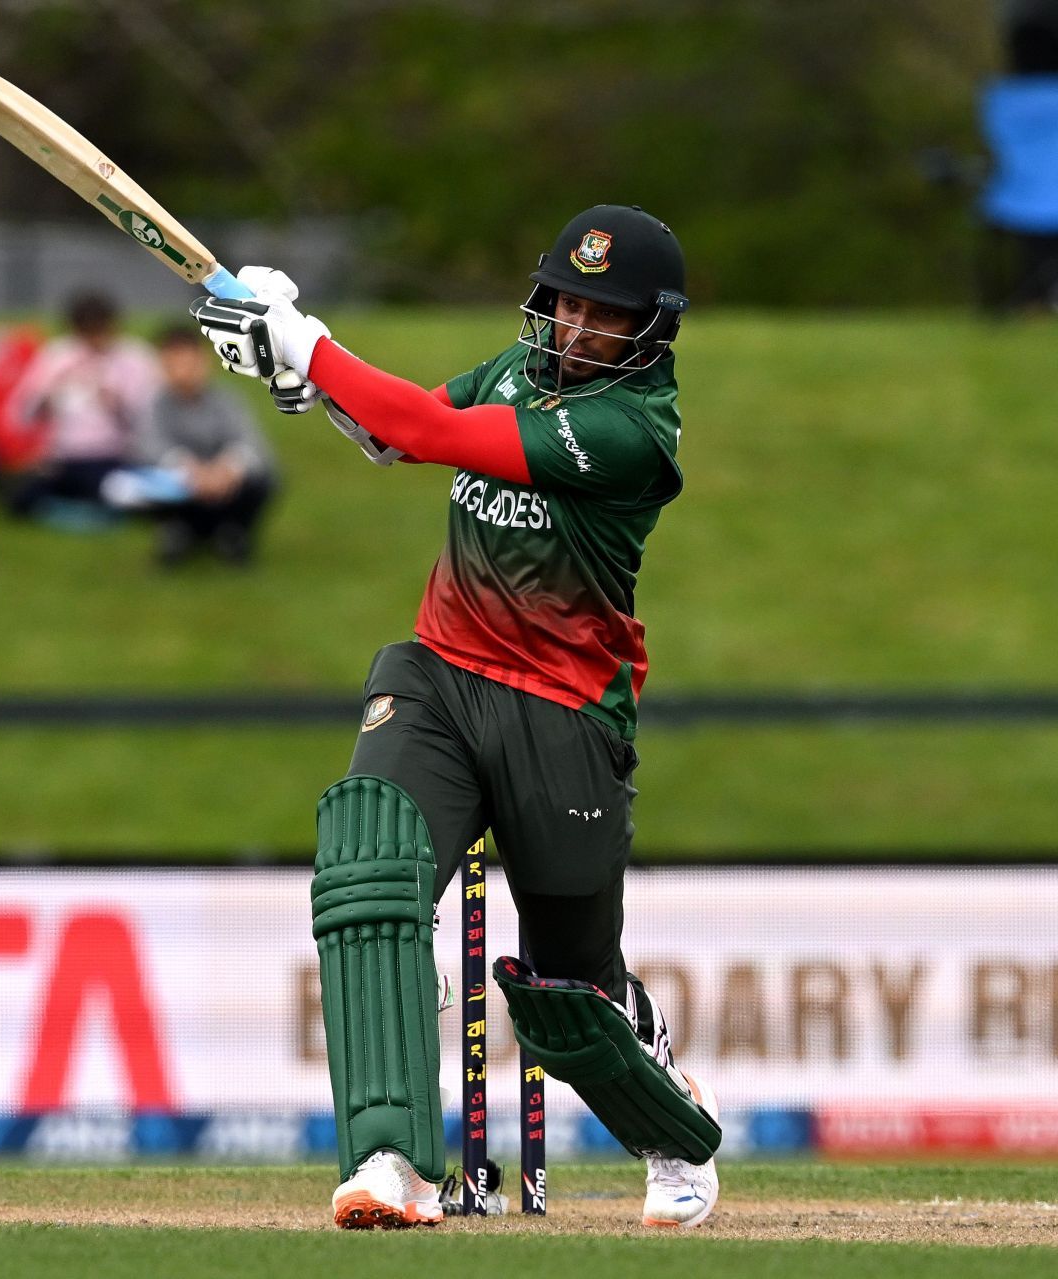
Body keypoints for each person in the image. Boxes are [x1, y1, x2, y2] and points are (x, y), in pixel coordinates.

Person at [193, 206, 717, 1230]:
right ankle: (389, 1160)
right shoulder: (517, 373)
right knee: (372, 877)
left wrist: (311, 343)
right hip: (441, 674)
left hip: (562, 710)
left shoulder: (631, 431)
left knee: (571, 996)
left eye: (602, 313)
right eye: (565, 299)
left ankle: (672, 1130)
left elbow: (430, 433)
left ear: (649, 329)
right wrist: (290, 369)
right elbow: (400, 431)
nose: (573, 324)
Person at [3, 291, 161, 524]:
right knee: (19, 496)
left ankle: (96, 503)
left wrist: (115, 403)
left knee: (117, 489)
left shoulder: (135, 358)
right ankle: (88, 507)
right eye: (87, 334)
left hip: (115, 455)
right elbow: (19, 413)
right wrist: (48, 398)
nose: (95, 341)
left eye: (101, 331)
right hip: (63, 458)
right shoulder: (58, 355)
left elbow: (150, 421)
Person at [141, 327, 277, 566]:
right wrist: (188, 470)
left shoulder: (226, 398)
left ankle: (233, 532)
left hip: (225, 484)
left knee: (264, 477)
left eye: (189, 363)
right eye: (173, 365)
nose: (183, 373)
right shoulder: (154, 404)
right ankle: (177, 532)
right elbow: (148, 444)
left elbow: (250, 441)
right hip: (182, 483)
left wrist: (227, 468)